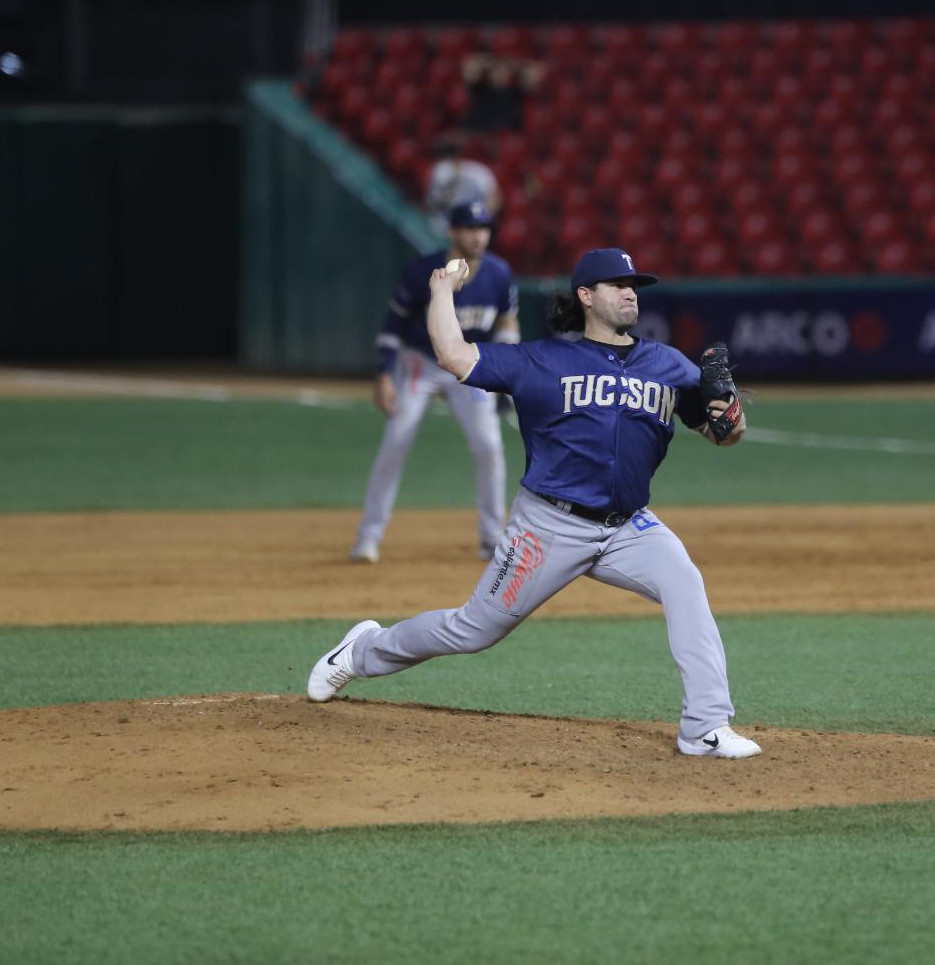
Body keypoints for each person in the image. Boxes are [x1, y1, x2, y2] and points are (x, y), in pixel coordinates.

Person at [311, 246, 761, 759]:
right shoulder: (543, 360)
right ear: (586, 296)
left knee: (686, 583)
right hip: (548, 526)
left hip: (628, 527)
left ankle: (704, 726)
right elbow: (454, 355)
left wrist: (731, 419)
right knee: (473, 630)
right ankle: (363, 650)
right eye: (618, 284)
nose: (631, 292)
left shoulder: (669, 365)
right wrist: (440, 291)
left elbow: (722, 433)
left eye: (634, 284)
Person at [350, 199, 518, 564]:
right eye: (471, 228)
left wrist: (506, 369)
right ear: (452, 232)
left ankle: (492, 539)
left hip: (469, 366)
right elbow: (393, 326)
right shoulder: (424, 272)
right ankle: (368, 536)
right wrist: (383, 373)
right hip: (420, 363)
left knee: (489, 446)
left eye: (484, 228)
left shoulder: (499, 274)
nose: (479, 236)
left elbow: (507, 322)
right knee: (397, 439)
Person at [424, 138, 501, 236]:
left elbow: (494, 201)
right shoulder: (441, 171)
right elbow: (430, 205)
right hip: (437, 224)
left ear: (457, 159)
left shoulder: (477, 173)